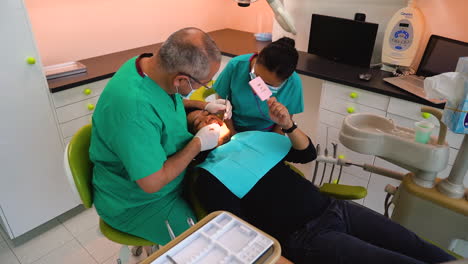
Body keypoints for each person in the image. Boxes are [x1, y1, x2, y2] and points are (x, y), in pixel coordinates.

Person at [187, 99, 456, 264]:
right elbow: (240, 232)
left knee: (415, 245)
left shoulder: (250, 139)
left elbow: (306, 153)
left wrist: (288, 124)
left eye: (209, 115)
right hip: (307, 237)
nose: (208, 119)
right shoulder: (209, 179)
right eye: (199, 123)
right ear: (194, 141)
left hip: (335, 207)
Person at [89, 27, 232, 245]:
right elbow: (152, 183)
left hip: (171, 178)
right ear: (181, 80)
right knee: (201, 246)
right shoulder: (134, 111)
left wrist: (203, 104)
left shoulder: (148, 65)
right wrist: (198, 143)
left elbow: (161, 104)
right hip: (138, 202)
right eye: (204, 83)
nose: (206, 86)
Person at [213, 37, 304, 134]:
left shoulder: (293, 83)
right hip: (232, 128)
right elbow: (222, 103)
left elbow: (283, 124)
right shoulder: (235, 65)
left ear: (286, 80)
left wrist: (270, 142)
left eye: (268, 84)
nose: (258, 86)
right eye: (257, 76)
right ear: (258, 57)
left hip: (268, 134)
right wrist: (232, 136)